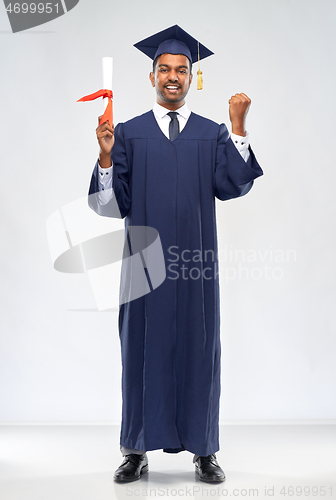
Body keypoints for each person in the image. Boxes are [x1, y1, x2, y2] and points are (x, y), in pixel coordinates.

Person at [88, 25, 263, 483]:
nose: (172, 76)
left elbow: (233, 186)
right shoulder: (126, 133)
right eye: (163, 69)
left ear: (192, 77)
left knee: (200, 350)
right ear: (151, 77)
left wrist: (240, 129)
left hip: (196, 270)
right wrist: (106, 158)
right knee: (139, 353)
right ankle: (134, 450)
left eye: (181, 70)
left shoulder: (212, 133)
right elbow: (112, 205)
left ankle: (204, 450)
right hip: (142, 269)